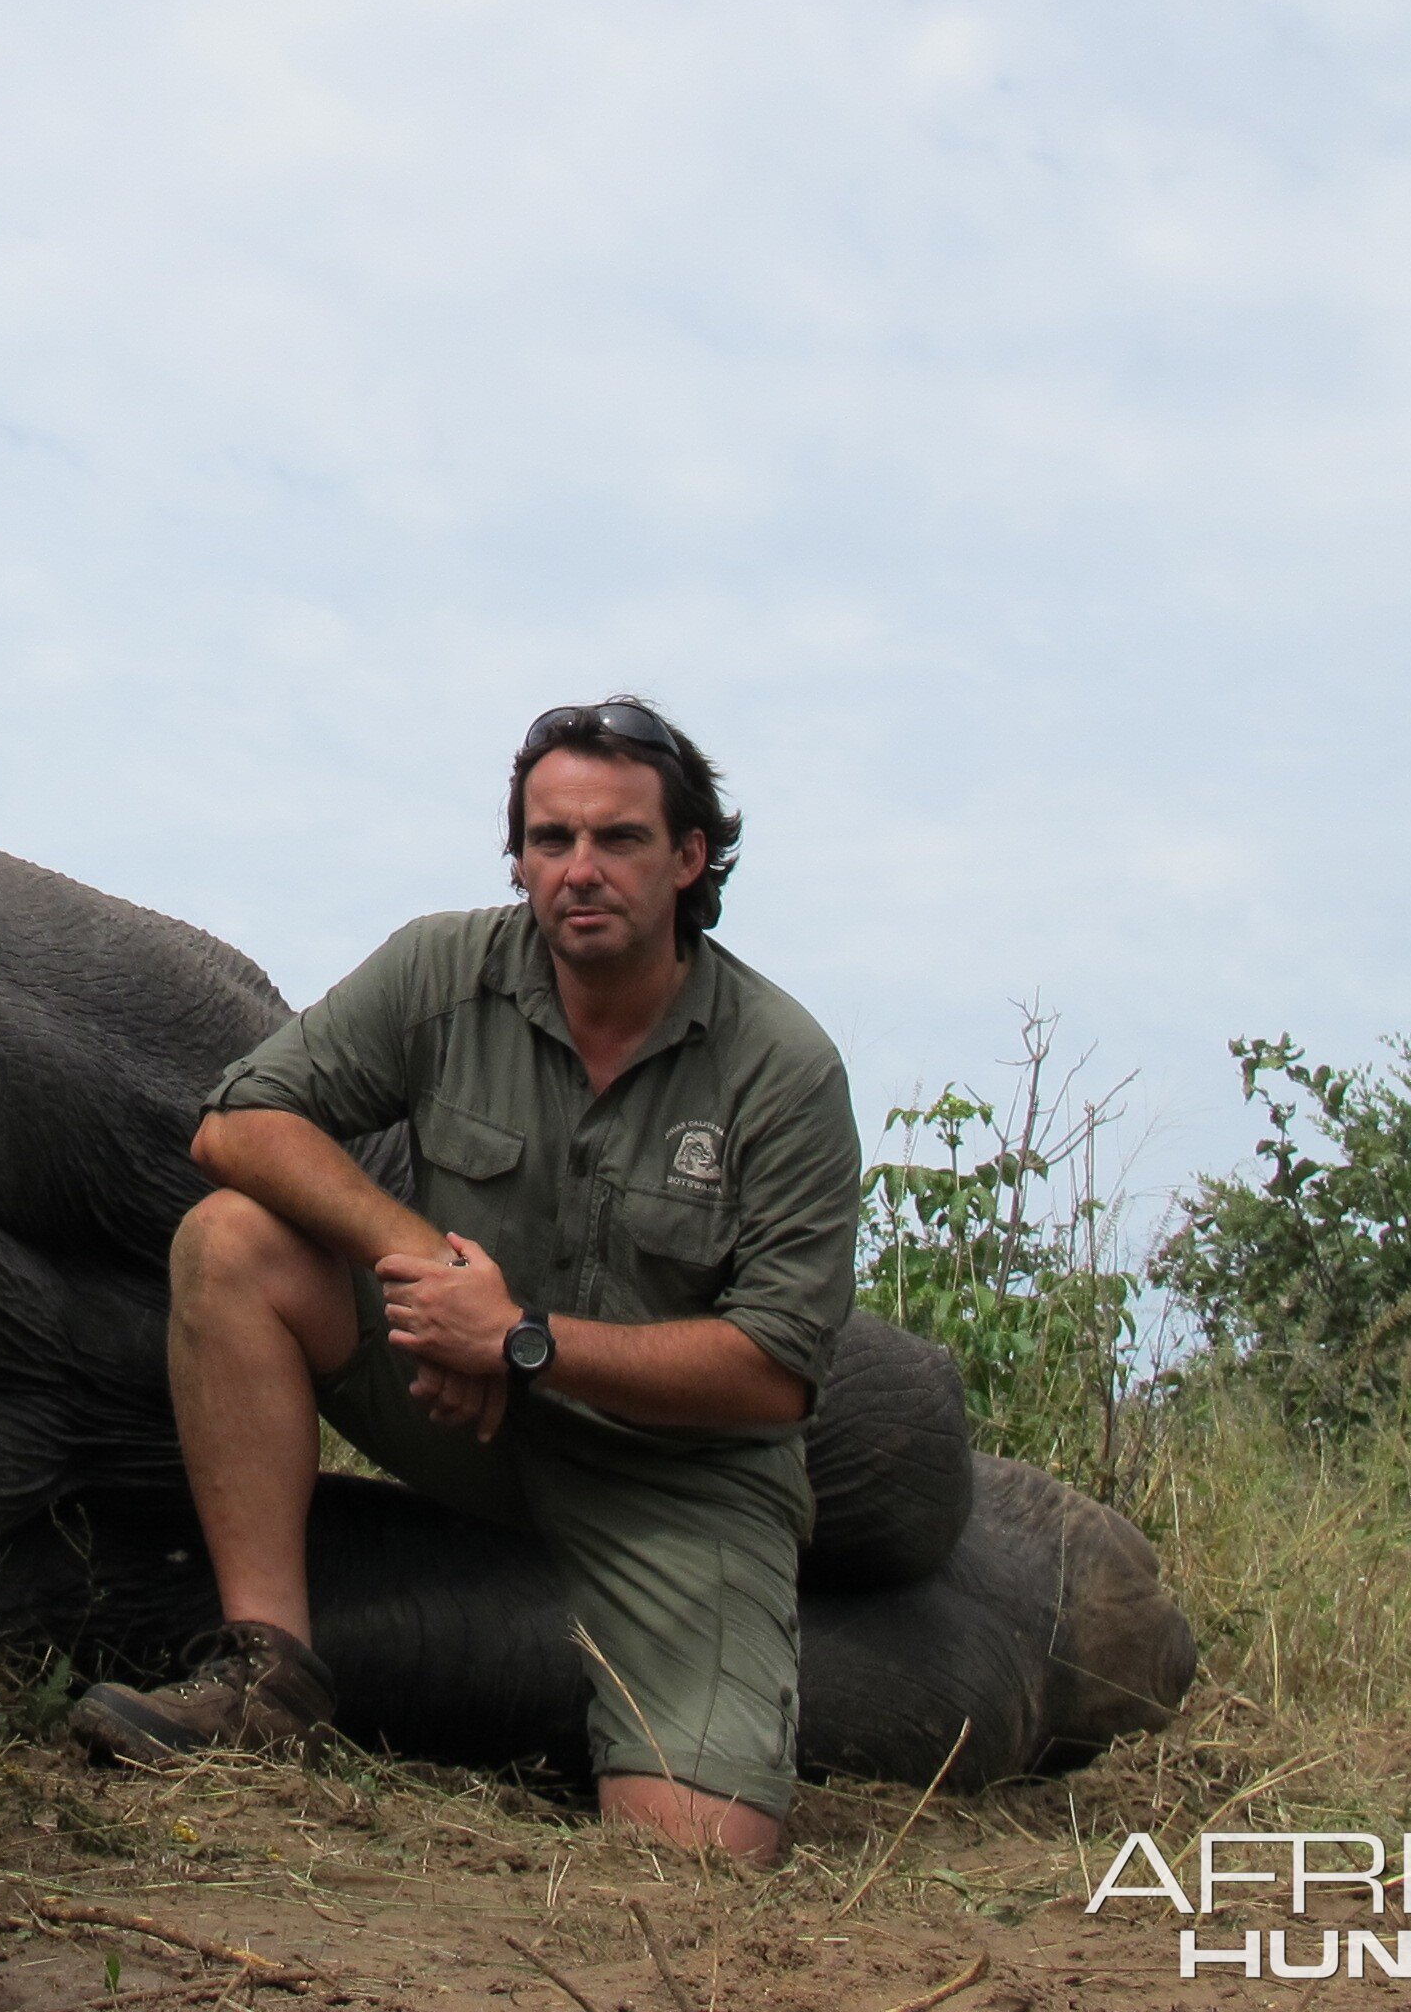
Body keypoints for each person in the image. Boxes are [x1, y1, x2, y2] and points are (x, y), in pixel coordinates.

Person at [69, 698, 860, 1862]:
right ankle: (266, 1680)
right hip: (458, 1396)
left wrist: (523, 1342)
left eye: (619, 840)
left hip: (675, 1475)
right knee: (231, 1239)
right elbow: (237, 1125)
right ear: (520, 855)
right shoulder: (445, 967)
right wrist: (438, 1281)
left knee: (699, 1861)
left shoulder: (783, 1069)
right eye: (551, 840)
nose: (579, 871)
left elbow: (775, 1377)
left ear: (690, 858)